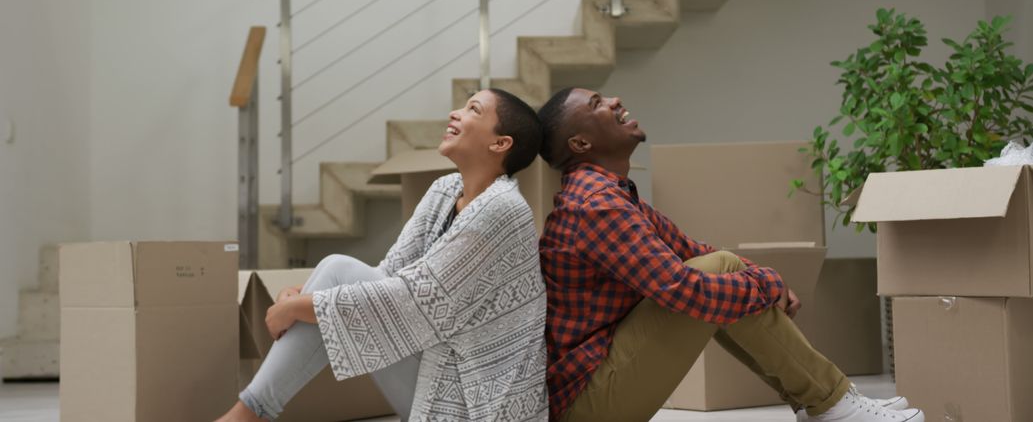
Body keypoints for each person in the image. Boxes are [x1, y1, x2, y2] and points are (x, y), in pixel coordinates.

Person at [536, 87, 923, 422]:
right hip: (587, 405)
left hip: (598, 387)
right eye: (597, 103)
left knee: (722, 266)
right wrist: (767, 284)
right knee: (717, 273)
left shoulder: (610, 193)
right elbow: (681, 289)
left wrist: (757, 276)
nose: (616, 101)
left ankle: (824, 401)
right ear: (581, 144)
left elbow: (690, 249)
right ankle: (830, 401)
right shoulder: (596, 204)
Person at [215, 89, 549, 422]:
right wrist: (307, 297)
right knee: (337, 272)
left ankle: (247, 414)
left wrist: (302, 305)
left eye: (473, 109)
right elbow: (390, 274)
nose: (455, 113)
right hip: (441, 368)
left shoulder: (503, 209)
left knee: (337, 269)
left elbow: (420, 302)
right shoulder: (445, 189)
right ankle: (250, 413)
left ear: (500, 143)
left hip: (478, 404)